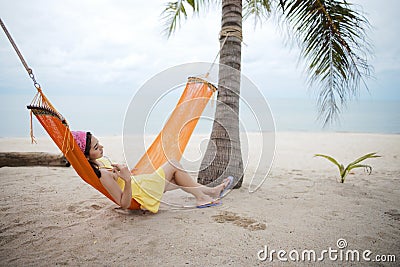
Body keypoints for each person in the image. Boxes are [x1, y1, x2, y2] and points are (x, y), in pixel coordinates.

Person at [71, 131, 234, 213]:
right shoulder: (103, 175)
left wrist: (127, 174)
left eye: (99, 144)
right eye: (96, 147)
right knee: (173, 164)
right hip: (140, 193)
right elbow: (124, 204)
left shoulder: (99, 163)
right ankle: (202, 198)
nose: (101, 148)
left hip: (139, 184)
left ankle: (211, 191)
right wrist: (127, 180)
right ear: (85, 155)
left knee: (178, 178)